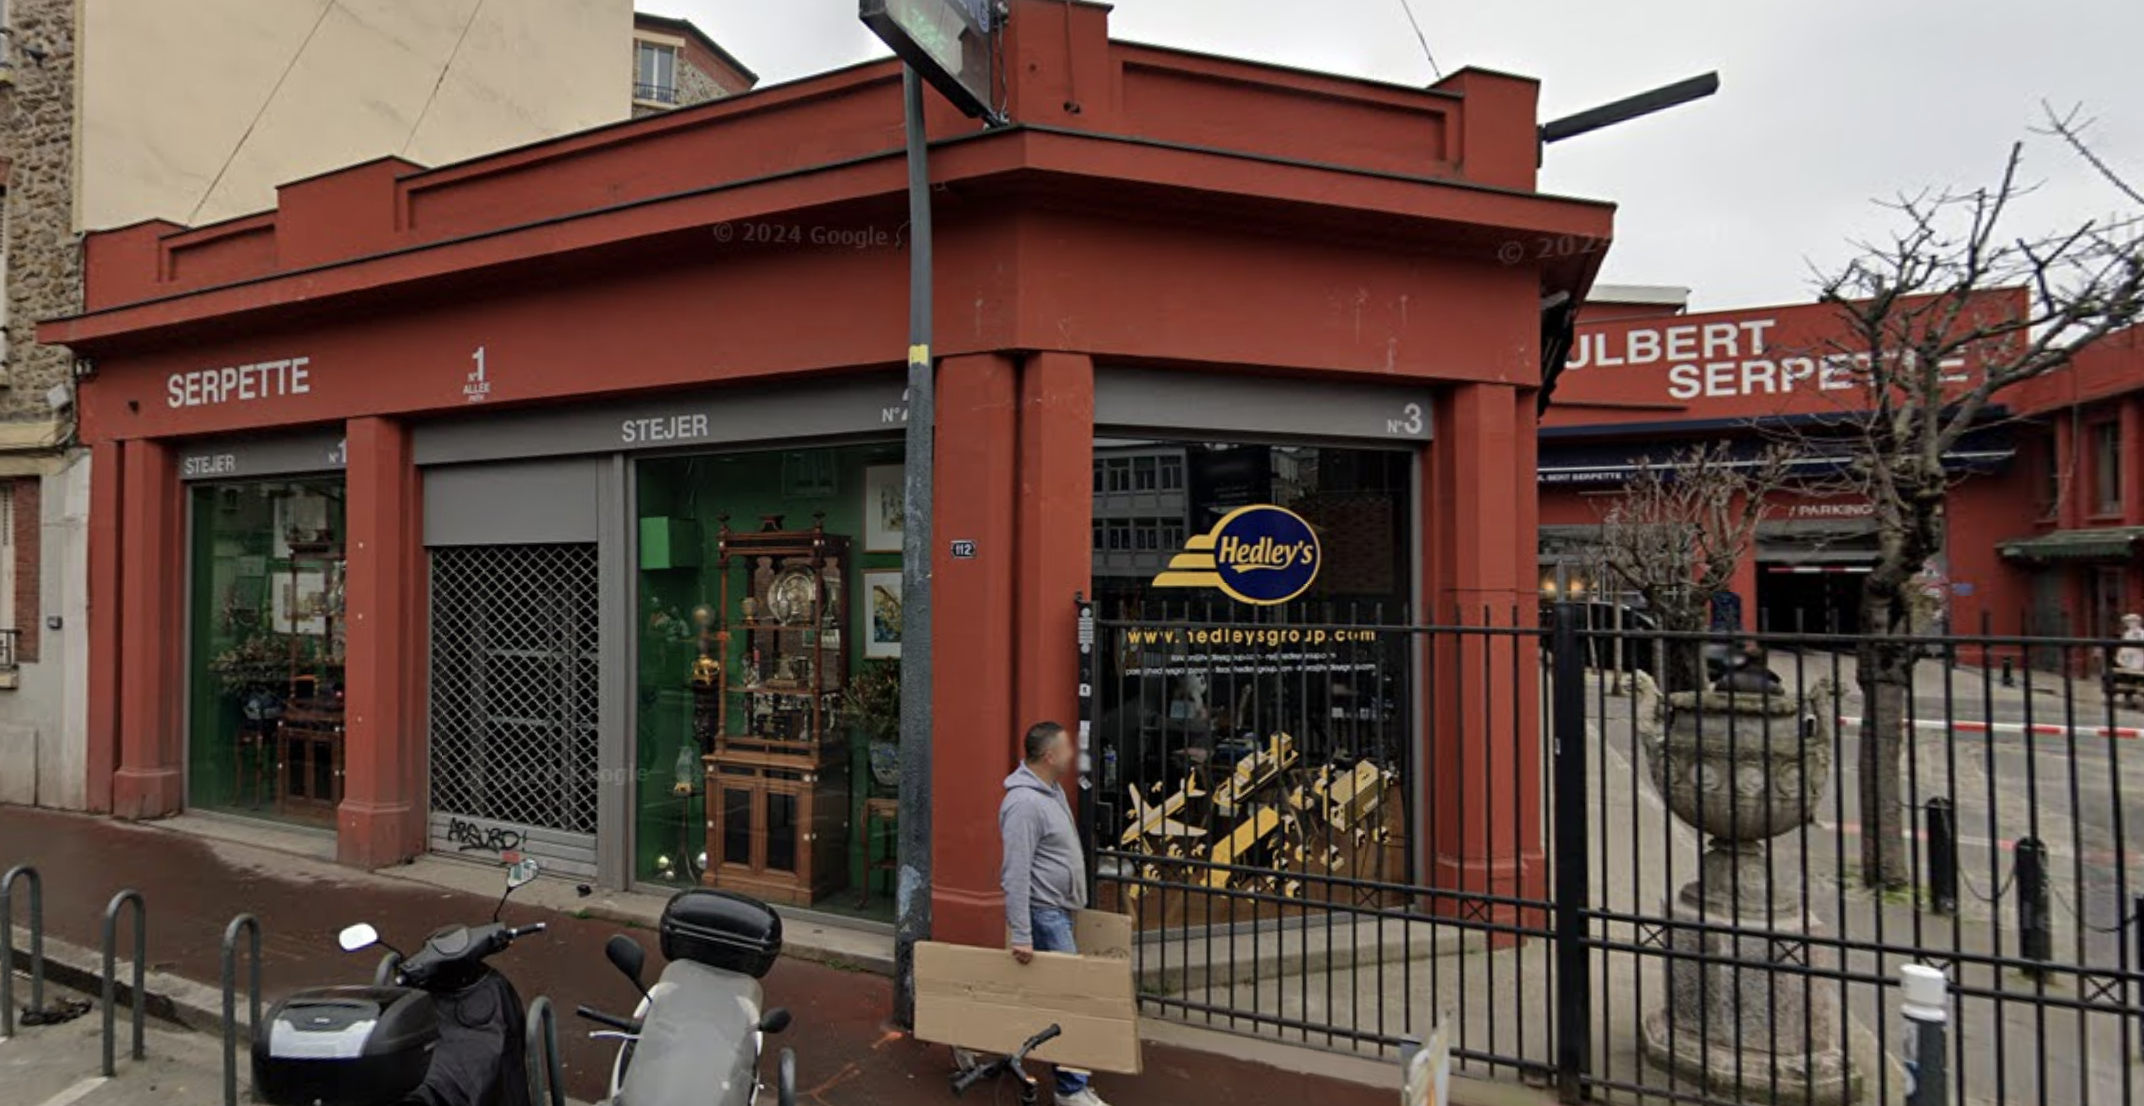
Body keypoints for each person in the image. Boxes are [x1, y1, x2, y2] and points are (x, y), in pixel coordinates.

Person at [1000, 720, 1107, 1106]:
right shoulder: (1025, 804)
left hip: (1056, 911)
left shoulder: (1050, 790)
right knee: (1069, 998)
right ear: (1049, 756)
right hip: (1044, 915)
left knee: (1056, 996)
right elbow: (1014, 872)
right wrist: (1022, 933)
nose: (1071, 754)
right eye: (1065, 748)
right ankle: (1070, 1089)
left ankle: (1071, 1080)